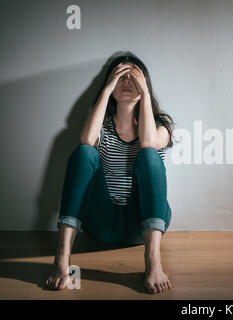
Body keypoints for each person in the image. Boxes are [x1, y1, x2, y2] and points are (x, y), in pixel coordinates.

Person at [44, 52, 175, 294]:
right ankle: (62, 259)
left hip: (142, 225)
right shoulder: (101, 127)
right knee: (85, 152)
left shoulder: (161, 127)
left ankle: (153, 261)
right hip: (102, 223)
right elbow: (86, 139)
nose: (126, 83)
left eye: (132, 77)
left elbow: (147, 143)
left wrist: (145, 93)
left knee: (149, 154)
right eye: (120, 78)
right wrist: (106, 91)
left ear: (144, 82)